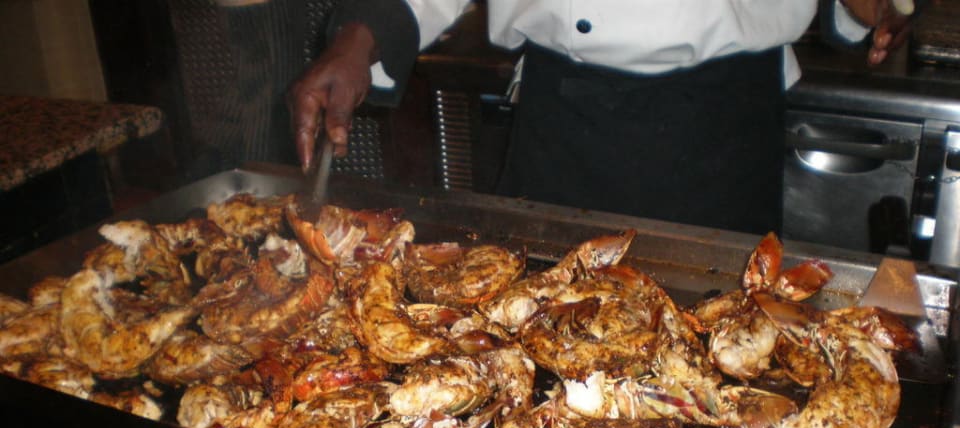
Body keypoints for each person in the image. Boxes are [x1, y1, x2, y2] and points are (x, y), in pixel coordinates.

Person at [288, 1, 914, 235]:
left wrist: (869, 10)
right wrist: (362, 35)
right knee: (532, 354)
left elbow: (850, 8)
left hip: (722, 131)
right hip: (564, 126)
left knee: (722, 359)